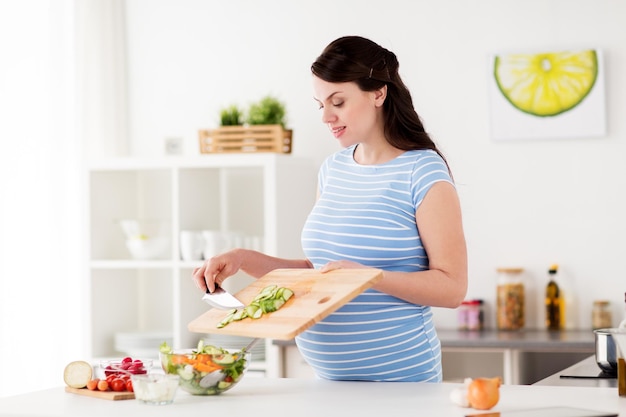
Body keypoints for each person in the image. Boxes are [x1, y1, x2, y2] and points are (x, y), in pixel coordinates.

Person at [192, 35, 467, 382]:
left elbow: (452, 288)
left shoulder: (422, 171)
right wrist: (242, 259)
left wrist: (369, 277)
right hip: (328, 383)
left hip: (400, 382)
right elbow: (320, 270)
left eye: (337, 101)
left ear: (378, 93)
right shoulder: (333, 168)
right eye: (320, 104)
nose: (326, 116)